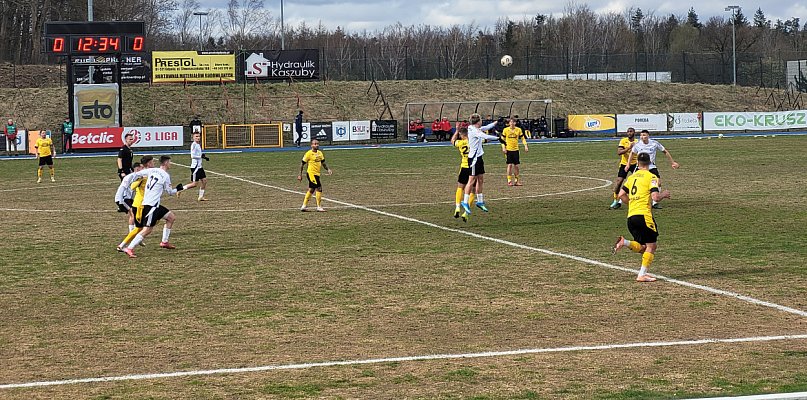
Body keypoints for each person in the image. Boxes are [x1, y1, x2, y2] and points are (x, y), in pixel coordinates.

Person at [612, 152, 671, 282]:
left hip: (631, 216)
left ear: (637, 163)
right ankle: (642, 275)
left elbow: (621, 194)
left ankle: (625, 242)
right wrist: (664, 195)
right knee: (652, 246)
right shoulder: (652, 177)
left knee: (643, 247)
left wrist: (632, 202)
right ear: (650, 163)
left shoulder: (631, 178)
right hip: (644, 215)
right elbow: (655, 197)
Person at [121, 155, 196, 258]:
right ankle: (130, 248)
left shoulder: (152, 170)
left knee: (171, 217)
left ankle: (164, 242)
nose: (171, 164)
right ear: (165, 163)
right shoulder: (165, 175)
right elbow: (170, 192)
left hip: (153, 204)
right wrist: (182, 187)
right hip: (150, 205)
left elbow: (137, 174)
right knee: (147, 230)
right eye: (170, 162)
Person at [460, 113, 505, 218]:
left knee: (480, 179)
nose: (482, 122)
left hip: (479, 158)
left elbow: (487, 127)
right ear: (478, 121)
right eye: (481, 120)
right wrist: (498, 138)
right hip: (474, 159)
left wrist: (497, 121)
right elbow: (484, 135)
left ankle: (480, 201)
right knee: (471, 181)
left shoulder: (474, 127)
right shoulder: (475, 131)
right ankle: (465, 202)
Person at [624, 130, 680, 209]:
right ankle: (627, 199)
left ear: (648, 136)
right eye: (641, 135)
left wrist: (672, 162)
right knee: (634, 182)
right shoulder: (637, 144)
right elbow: (632, 153)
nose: (642, 137)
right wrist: (628, 164)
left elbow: (665, 151)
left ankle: (655, 202)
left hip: (651, 166)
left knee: (659, 183)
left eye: (644, 135)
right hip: (640, 167)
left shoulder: (654, 143)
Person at [117, 156, 155, 252]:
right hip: (139, 205)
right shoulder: (141, 176)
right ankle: (125, 244)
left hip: (143, 204)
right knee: (140, 227)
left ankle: (133, 240)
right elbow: (133, 186)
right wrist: (140, 181)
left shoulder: (150, 174)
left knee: (142, 227)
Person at [298, 139, 333, 212]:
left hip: (317, 174)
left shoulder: (320, 153)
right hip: (311, 173)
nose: (317, 145)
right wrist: (300, 175)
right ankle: (319, 206)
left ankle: (304, 206)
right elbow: (302, 164)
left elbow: (323, 163)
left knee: (311, 189)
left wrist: (328, 169)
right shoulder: (308, 154)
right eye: (315, 144)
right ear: (311, 145)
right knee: (319, 188)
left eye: (317, 144)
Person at [451, 125, 476, 220]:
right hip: (473, 168)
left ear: (461, 135)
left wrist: (456, 131)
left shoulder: (460, 143)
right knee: (473, 191)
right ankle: (466, 212)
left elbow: (452, 141)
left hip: (464, 167)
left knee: (460, 187)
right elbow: (486, 140)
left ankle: (457, 207)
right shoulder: (473, 142)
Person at [610, 127, 637, 209]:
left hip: (635, 164)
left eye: (631, 131)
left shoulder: (637, 142)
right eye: (628, 131)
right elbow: (619, 152)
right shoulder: (623, 141)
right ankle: (615, 200)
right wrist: (628, 148)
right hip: (624, 164)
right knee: (619, 182)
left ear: (634, 133)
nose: (629, 133)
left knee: (636, 182)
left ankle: (634, 199)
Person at [115, 161, 143, 233]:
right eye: (142, 167)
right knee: (133, 214)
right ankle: (132, 233)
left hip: (129, 198)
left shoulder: (139, 177)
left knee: (135, 214)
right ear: (137, 168)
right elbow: (122, 188)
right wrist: (121, 202)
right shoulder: (130, 177)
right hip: (123, 198)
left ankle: (133, 232)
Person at [501, 117, 529, 186]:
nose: (512, 123)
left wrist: (525, 145)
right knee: (509, 165)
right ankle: (509, 180)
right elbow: (502, 139)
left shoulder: (518, 130)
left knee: (516, 166)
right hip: (508, 150)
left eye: (513, 122)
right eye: (511, 122)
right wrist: (503, 148)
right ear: (509, 123)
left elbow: (523, 138)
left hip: (516, 150)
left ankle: (517, 181)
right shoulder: (505, 130)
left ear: (515, 123)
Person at [190, 132, 210, 201]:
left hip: (199, 167)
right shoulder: (194, 145)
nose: (198, 137)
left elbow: (198, 154)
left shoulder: (198, 145)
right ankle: (180, 189)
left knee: (204, 181)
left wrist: (204, 157)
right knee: (194, 184)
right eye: (196, 136)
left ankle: (200, 196)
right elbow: (192, 156)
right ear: (193, 137)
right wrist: (200, 156)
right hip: (195, 167)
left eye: (198, 136)